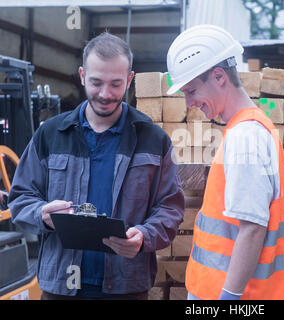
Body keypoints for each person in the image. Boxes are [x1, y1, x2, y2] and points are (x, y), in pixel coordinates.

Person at [8, 32, 184, 300]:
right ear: (81, 75)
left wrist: (144, 236)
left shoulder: (152, 139)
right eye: (96, 82)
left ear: (130, 79)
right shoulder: (51, 134)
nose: (105, 94)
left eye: (116, 84)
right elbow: (20, 198)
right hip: (62, 288)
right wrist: (41, 212)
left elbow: (170, 207)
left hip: (126, 288)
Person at [166, 24, 284, 300]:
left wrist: (229, 297)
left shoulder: (246, 137)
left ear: (219, 76)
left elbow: (253, 228)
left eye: (191, 90)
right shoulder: (246, 128)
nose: (189, 102)